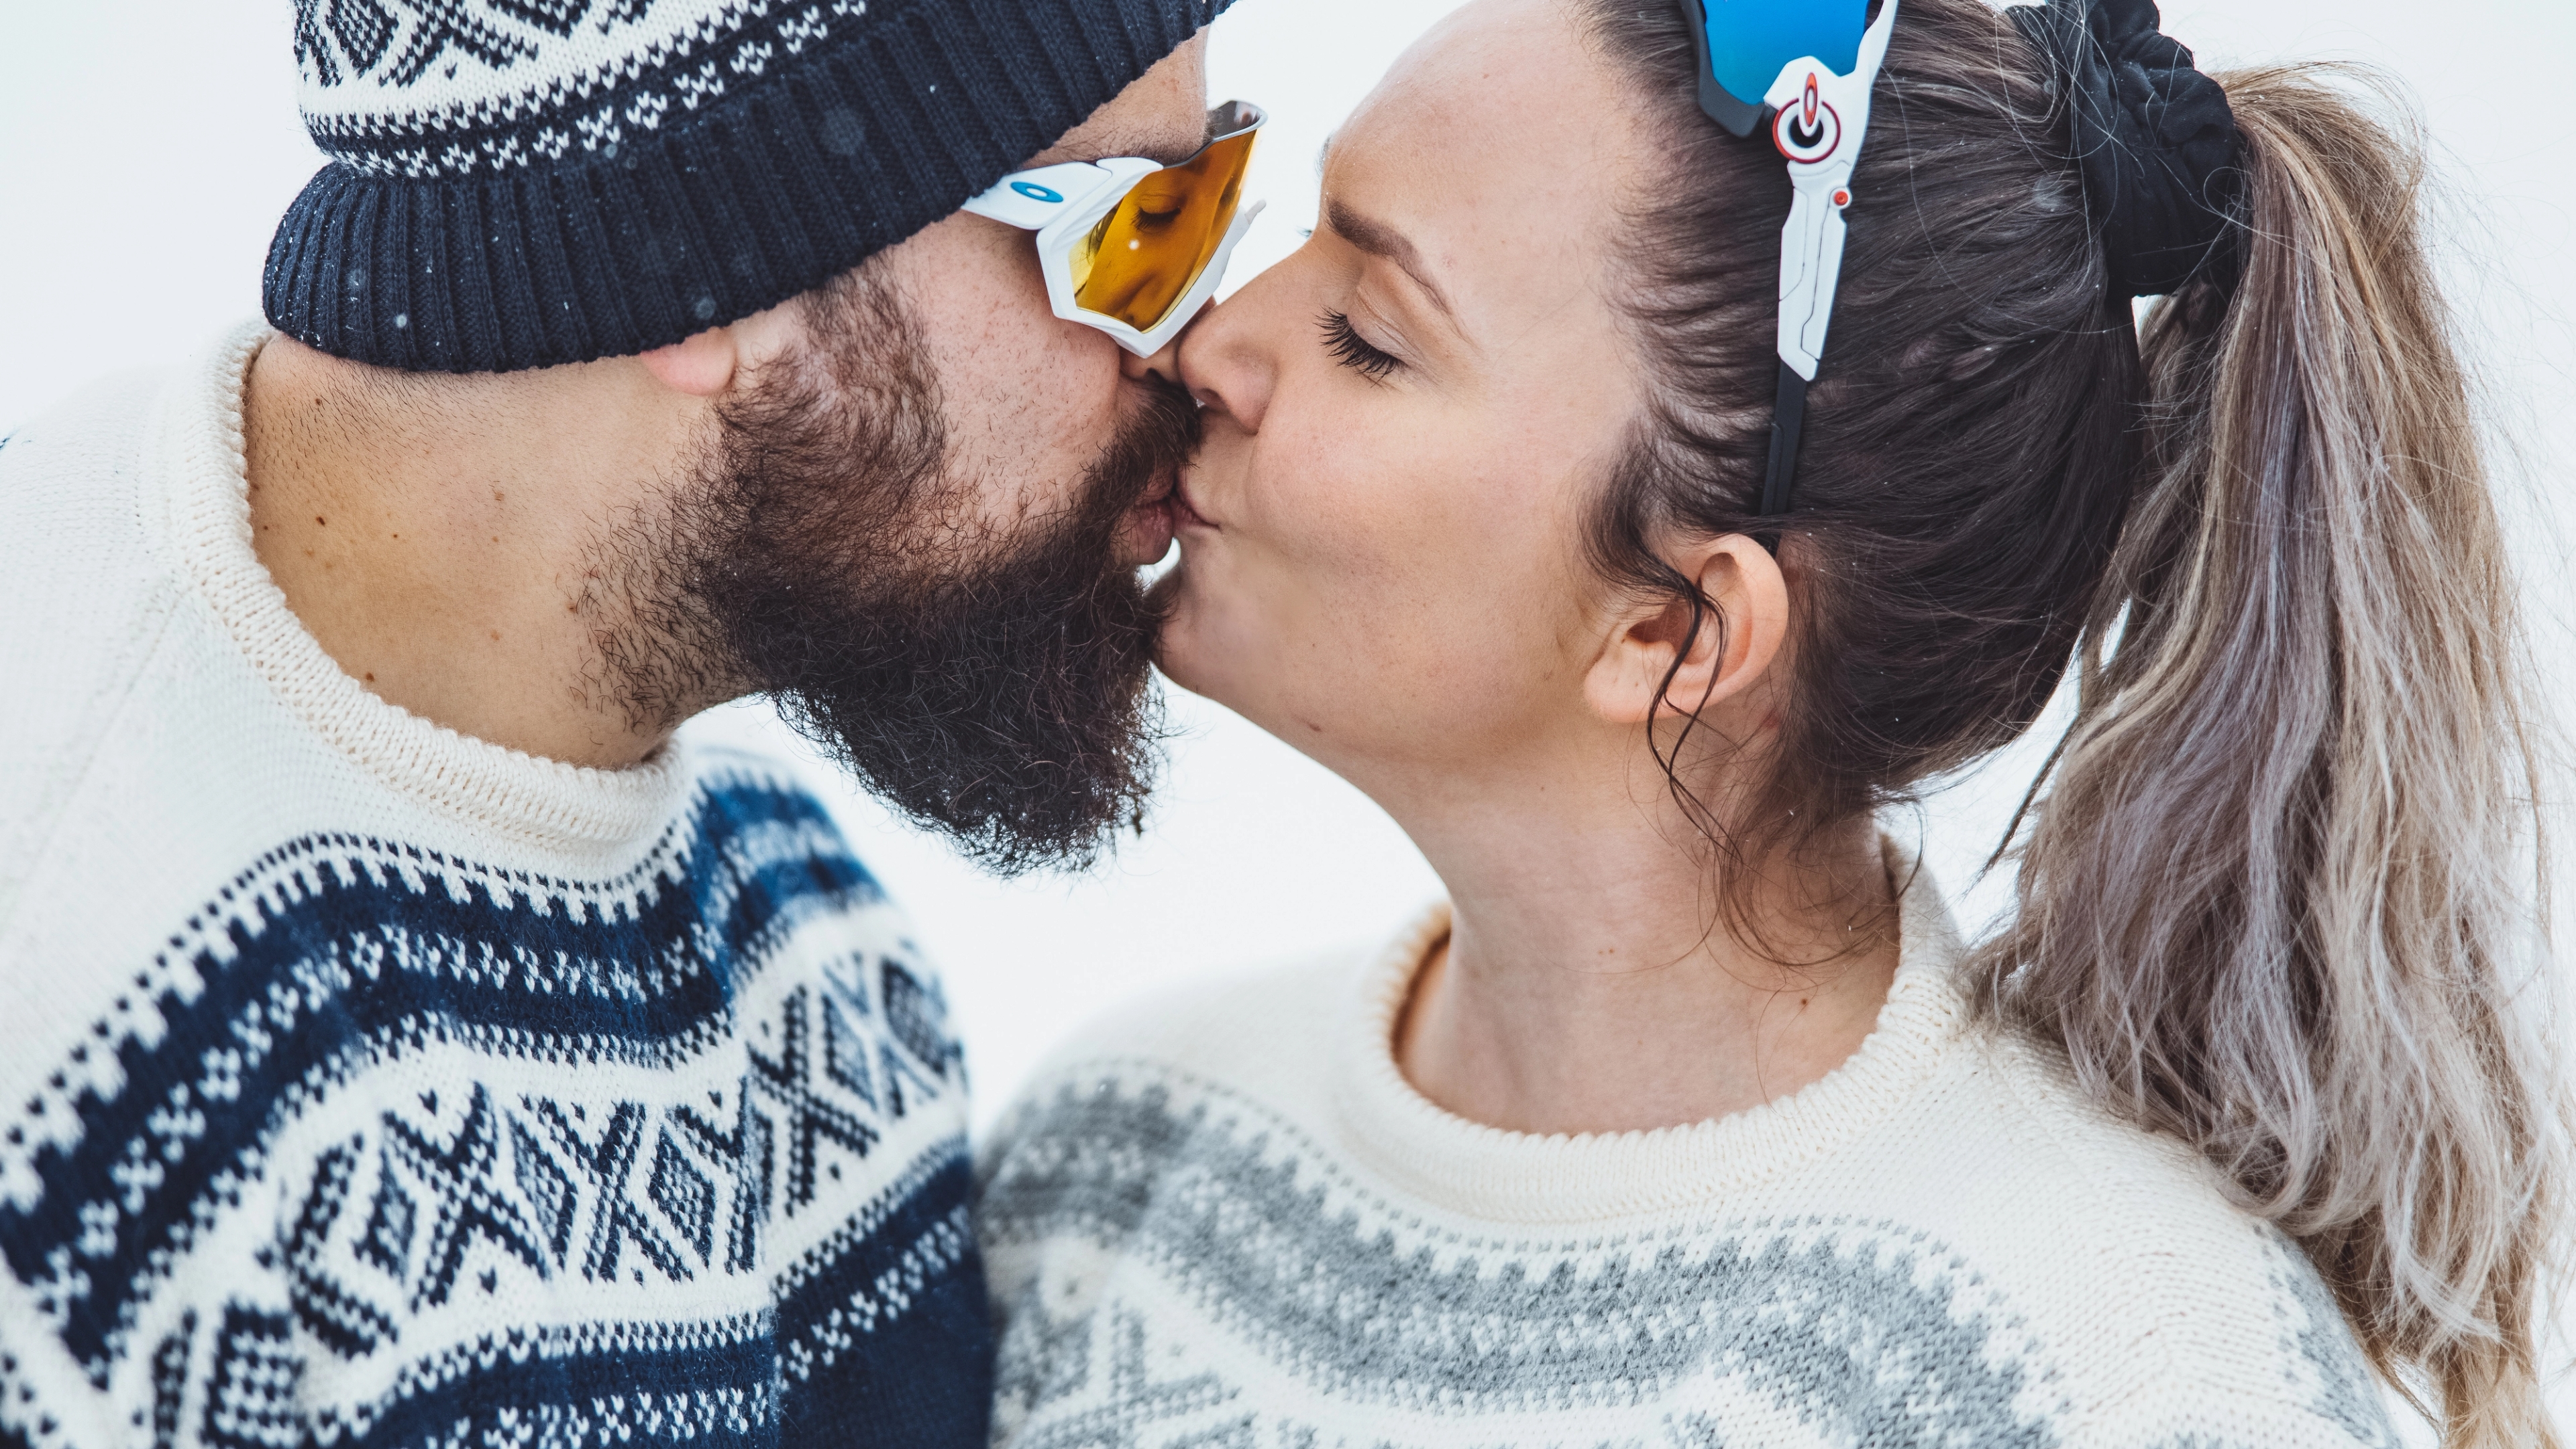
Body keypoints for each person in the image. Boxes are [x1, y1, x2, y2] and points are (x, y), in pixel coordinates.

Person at [975, 0, 2568, 1443]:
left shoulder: (2130, 1384)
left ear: (1678, 632)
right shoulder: (1119, 1156)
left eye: (1371, 338)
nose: (1203, 341)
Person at [0, 0, 1258, 1442]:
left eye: (1220, 197)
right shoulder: (67, 1043)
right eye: (1143, 228)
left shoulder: (798, 935)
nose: (1204, 345)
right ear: (732, 253)